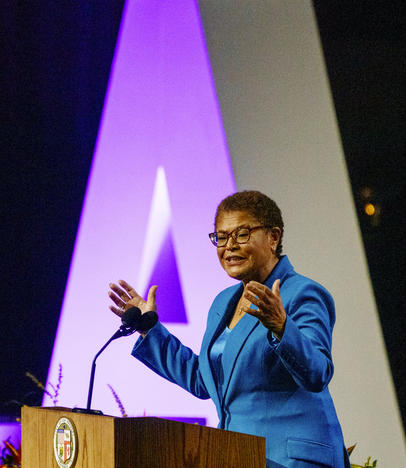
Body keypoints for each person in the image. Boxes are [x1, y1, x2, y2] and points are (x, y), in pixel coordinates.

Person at [108, 190, 349, 468]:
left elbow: (317, 373)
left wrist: (282, 328)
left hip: (293, 459)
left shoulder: (302, 293)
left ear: (273, 237)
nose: (229, 246)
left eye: (242, 233)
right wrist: (149, 327)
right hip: (240, 455)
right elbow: (204, 381)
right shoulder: (223, 302)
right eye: (221, 237)